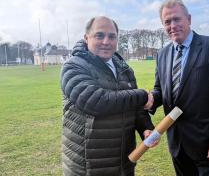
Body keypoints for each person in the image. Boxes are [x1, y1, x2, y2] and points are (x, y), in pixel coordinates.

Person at [145, 0, 209, 176]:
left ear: (189, 19)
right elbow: (161, 91)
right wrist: (150, 100)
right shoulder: (162, 54)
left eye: (177, 19)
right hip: (177, 143)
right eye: (167, 22)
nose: (173, 25)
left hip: (206, 144)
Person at [61, 16, 156, 176]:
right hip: (89, 167)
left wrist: (146, 127)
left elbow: (135, 108)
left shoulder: (124, 68)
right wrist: (142, 95)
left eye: (112, 36)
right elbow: (95, 101)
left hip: (124, 163)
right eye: (99, 35)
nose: (106, 41)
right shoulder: (73, 66)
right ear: (86, 38)